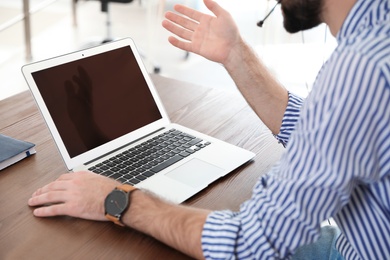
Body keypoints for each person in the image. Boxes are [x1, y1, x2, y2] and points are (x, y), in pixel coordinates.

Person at [28, 0, 390, 259]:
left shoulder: (360, 70)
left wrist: (115, 198)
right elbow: (324, 131)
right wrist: (235, 54)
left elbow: (249, 244)